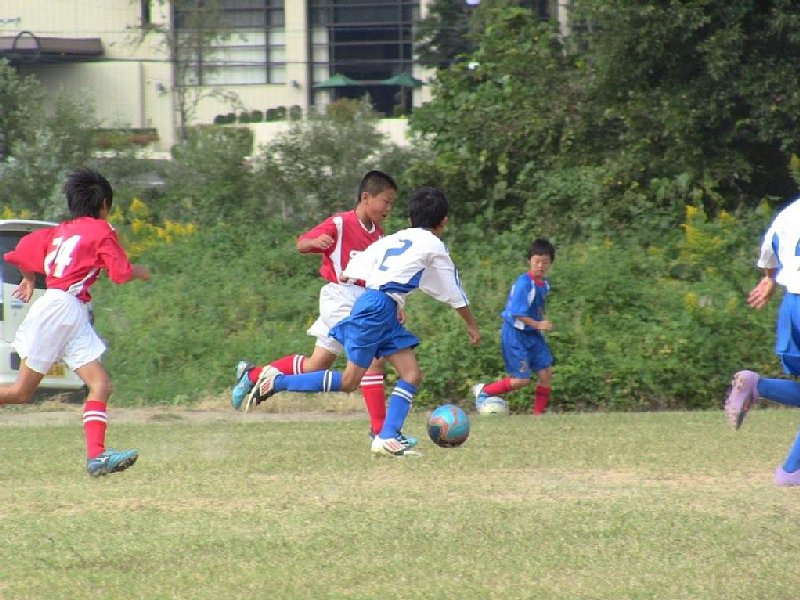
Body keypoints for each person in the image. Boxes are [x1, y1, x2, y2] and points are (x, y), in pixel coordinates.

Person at [242, 186, 480, 456]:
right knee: (348, 381)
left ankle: (387, 436)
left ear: (411, 217)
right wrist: (471, 324)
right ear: (443, 221)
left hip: (380, 306)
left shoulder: (396, 237)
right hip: (378, 308)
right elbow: (454, 290)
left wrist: (358, 281)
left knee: (412, 374)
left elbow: (357, 266)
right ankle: (277, 382)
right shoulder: (434, 245)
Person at [230, 171, 413, 442]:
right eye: (386, 202)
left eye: (392, 204)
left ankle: (253, 374)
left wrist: (392, 303)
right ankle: (381, 433)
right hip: (340, 299)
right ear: (366, 197)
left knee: (317, 364)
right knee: (374, 359)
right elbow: (301, 243)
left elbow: (376, 275)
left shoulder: (378, 235)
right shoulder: (340, 223)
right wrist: (315, 243)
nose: (389, 209)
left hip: (363, 301)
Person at [0, 168, 151, 477]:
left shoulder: (60, 231)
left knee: (100, 384)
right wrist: (141, 271)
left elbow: (19, 253)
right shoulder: (102, 230)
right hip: (62, 310)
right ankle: (96, 456)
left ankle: (97, 457)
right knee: (21, 392)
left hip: (68, 311)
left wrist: (29, 278)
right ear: (105, 204)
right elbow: (120, 273)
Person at [724, 197, 800, 486]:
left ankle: (757, 386)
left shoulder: (791, 211)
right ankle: (791, 471)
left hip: (791, 308)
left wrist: (769, 278)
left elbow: (770, 251)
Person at [473, 238, 556, 415]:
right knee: (521, 380)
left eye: (545, 262)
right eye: (537, 261)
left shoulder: (545, 284)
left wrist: (542, 322)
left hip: (533, 335)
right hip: (515, 335)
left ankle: (538, 415)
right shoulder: (524, 283)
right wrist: (538, 324)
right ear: (529, 260)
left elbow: (537, 307)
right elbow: (517, 313)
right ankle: (485, 391)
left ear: (550, 263)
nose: (540, 266)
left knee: (546, 373)